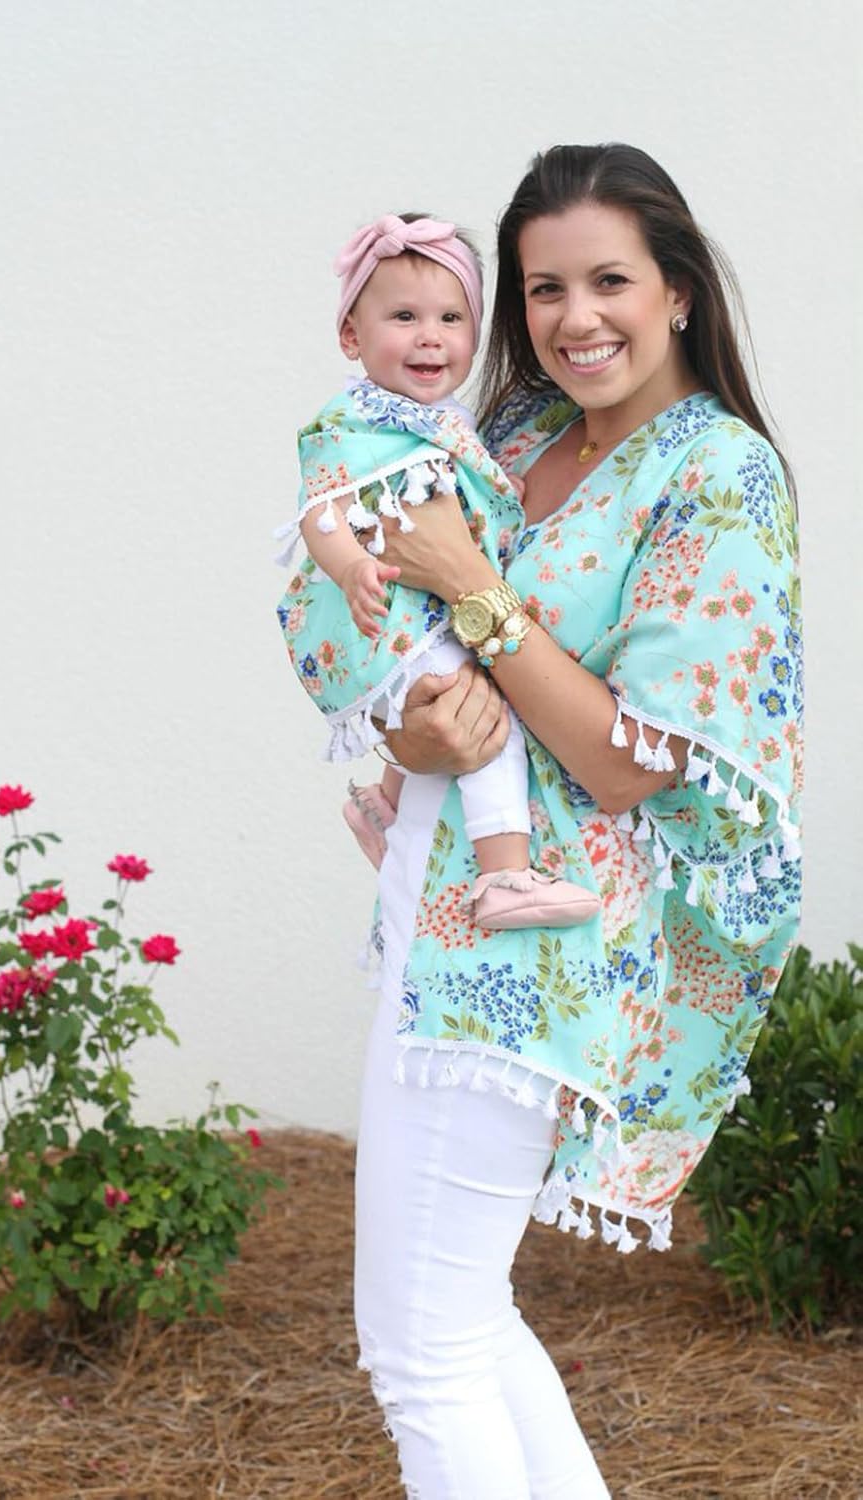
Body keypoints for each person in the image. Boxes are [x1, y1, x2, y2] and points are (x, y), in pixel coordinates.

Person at [346, 144, 802, 1499]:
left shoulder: (715, 475)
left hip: (542, 953)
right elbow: (403, 641)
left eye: (609, 280)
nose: (573, 317)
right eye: (544, 288)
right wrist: (409, 729)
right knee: (464, 1324)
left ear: (675, 290)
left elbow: (625, 762)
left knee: (418, 1348)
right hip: (438, 914)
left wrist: (474, 587)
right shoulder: (518, 435)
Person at [276, 212, 599, 930]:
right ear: (352, 337)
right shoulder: (354, 420)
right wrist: (353, 564)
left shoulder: (447, 419)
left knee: (447, 699)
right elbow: (319, 508)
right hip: (389, 607)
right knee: (488, 726)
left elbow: (466, 487)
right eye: (404, 316)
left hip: (421, 608)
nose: (431, 335)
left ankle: (386, 810)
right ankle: (504, 876)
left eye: (452, 317)